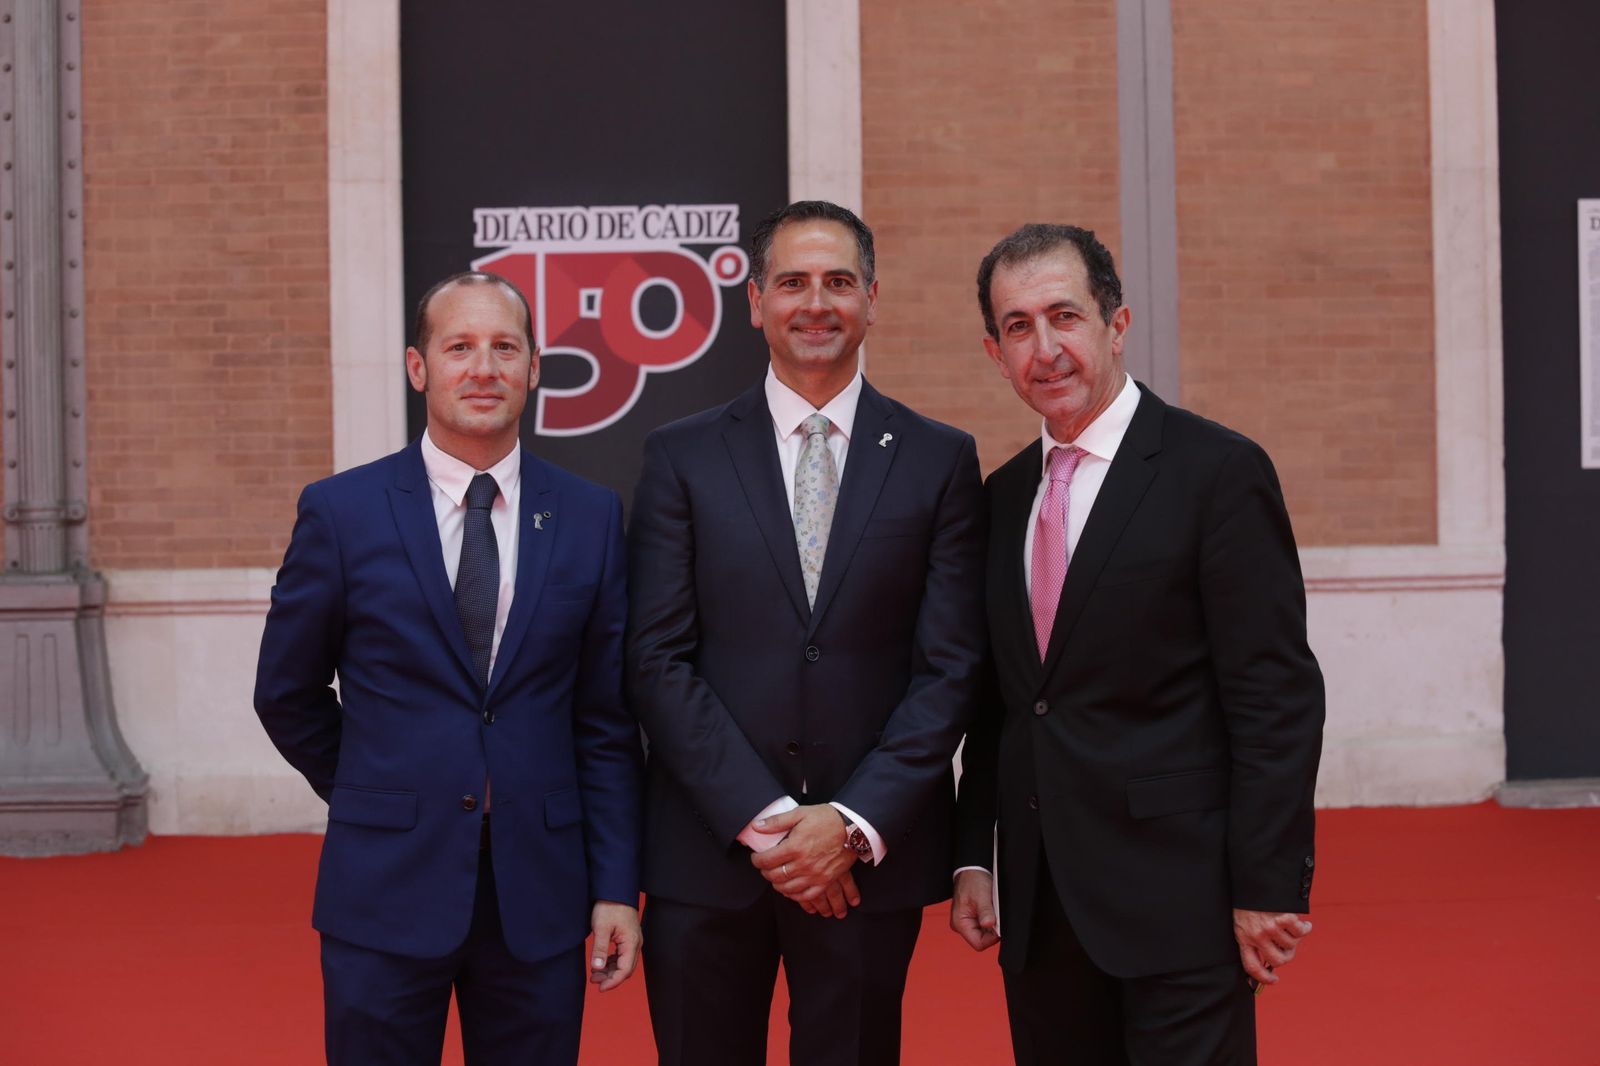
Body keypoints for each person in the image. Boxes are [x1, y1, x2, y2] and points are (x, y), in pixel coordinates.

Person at [951, 224, 1325, 1065]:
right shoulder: (1002, 497)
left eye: (1065, 317)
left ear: (1117, 324)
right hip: (1042, 910)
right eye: (1018, 327)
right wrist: (974, 857)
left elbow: (1275, 697)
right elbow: (1000, 704)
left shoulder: (1218, 472)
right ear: (993, 350)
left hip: (1180, 904)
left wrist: (1266, 887)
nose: (1045, 349)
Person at [625, 201, 986, 1066]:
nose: (814, 303)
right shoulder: (682, 456)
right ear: (755, 303)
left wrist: (850, 824)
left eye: (838, 282)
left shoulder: (940, 460)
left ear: (872, 300)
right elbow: (656, 657)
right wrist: (771, 821)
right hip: (709, 856)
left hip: (865, 865)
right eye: (792, 282)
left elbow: (951, 666)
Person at [254, 271, 644, 1065]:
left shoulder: (591, 516)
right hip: (385, 884)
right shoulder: (341, 512)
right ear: (418, 367)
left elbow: (604, 720)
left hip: (538, 891)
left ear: (535, 368)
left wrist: (614, 887)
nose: (483, 368)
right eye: (459, 347)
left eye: (505, 348)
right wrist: (377, 786)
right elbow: (286, 692)